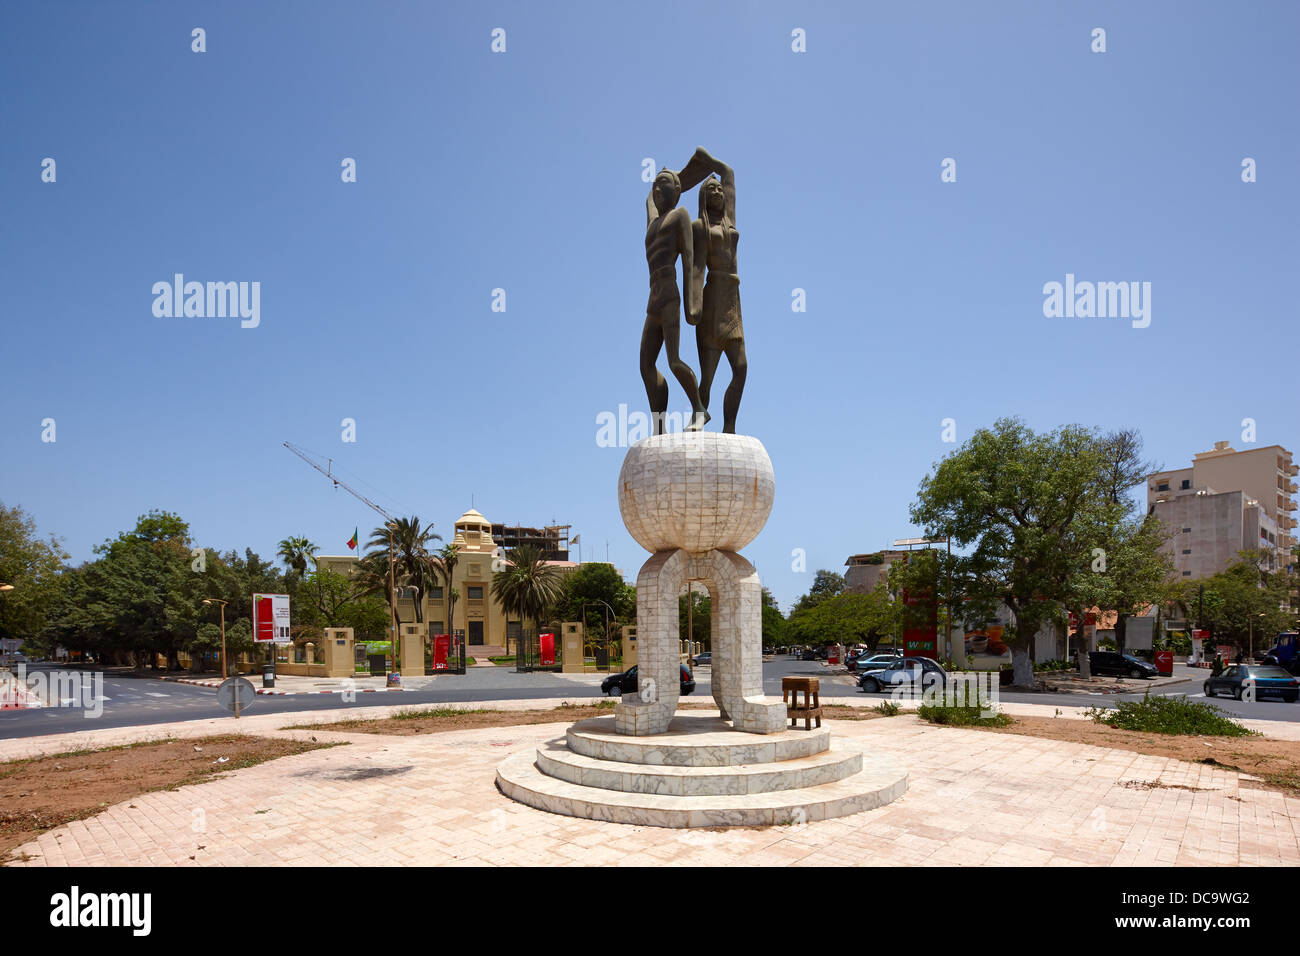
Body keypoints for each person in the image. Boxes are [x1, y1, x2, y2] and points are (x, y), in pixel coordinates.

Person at [640, 167, 709, 434]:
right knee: (646, 363)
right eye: (655, 185)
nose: (657, 189)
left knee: (673, 360)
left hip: (669, 295)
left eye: (664, 184)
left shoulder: (680, 215)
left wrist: (694, 300)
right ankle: (659, 427)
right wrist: (667, 176)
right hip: (653, 299)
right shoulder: (652, 224)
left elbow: (690, 260)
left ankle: (700, 409)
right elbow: (648, 198)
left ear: (677, 191)